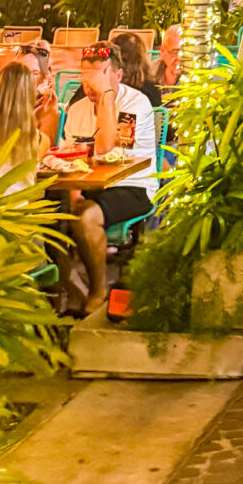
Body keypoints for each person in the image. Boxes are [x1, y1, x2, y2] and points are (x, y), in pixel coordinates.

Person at [60, 41, 158, 310]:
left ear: (118, 74)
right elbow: (69, 157)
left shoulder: (135, 103)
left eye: (100, 75)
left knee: (85, 217)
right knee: (51, 214)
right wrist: (73, 194)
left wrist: (106, 97)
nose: (90, 84)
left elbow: (109, 151)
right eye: (86, 76)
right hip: (89, 185)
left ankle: (97, 291)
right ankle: (68, 285)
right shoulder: (77, 109)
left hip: (132, 184)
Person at [154, 24, 182, 90]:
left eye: (186, 52)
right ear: (162, 51)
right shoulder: (148, 76)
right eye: (175, 52)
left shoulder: (197, 80)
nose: (180, 58)